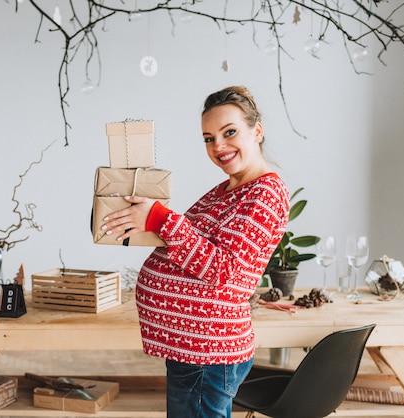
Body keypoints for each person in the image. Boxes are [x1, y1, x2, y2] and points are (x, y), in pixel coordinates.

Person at [101, 86, 290, 418]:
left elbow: (223, 268)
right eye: (208, 138)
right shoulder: (226, 189)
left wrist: (161, 218)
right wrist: (147, 223)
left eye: (229, 132)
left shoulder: (266, 192)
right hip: (193, 348)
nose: (218, 146)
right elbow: (190, 247)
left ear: (256, 131)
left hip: (209, 351)